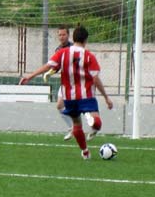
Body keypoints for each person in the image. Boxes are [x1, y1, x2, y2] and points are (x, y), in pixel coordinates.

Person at [20, 26, 113, 160]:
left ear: (72, 38)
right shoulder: (88, 56)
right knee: (97, 122)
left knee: (76, 124)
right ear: (86, 40)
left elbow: (48, 66)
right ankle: (91, 120)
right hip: (86, 95)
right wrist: (106, 97)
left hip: (69, 97)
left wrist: (30, 76)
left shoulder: (62, 53)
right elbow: (95, 78)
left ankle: (85, 152)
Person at [43, 25, 74, 141]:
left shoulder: (73, 48)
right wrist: (49, 73)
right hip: (65, 82)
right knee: (59, 106)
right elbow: (56, 66)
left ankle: (76, 126)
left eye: (63, 34)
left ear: (68, 35)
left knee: (74, 106)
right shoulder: (58, 50)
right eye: (59, 35)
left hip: (75, 82)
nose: (61, 37)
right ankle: (73, 127)